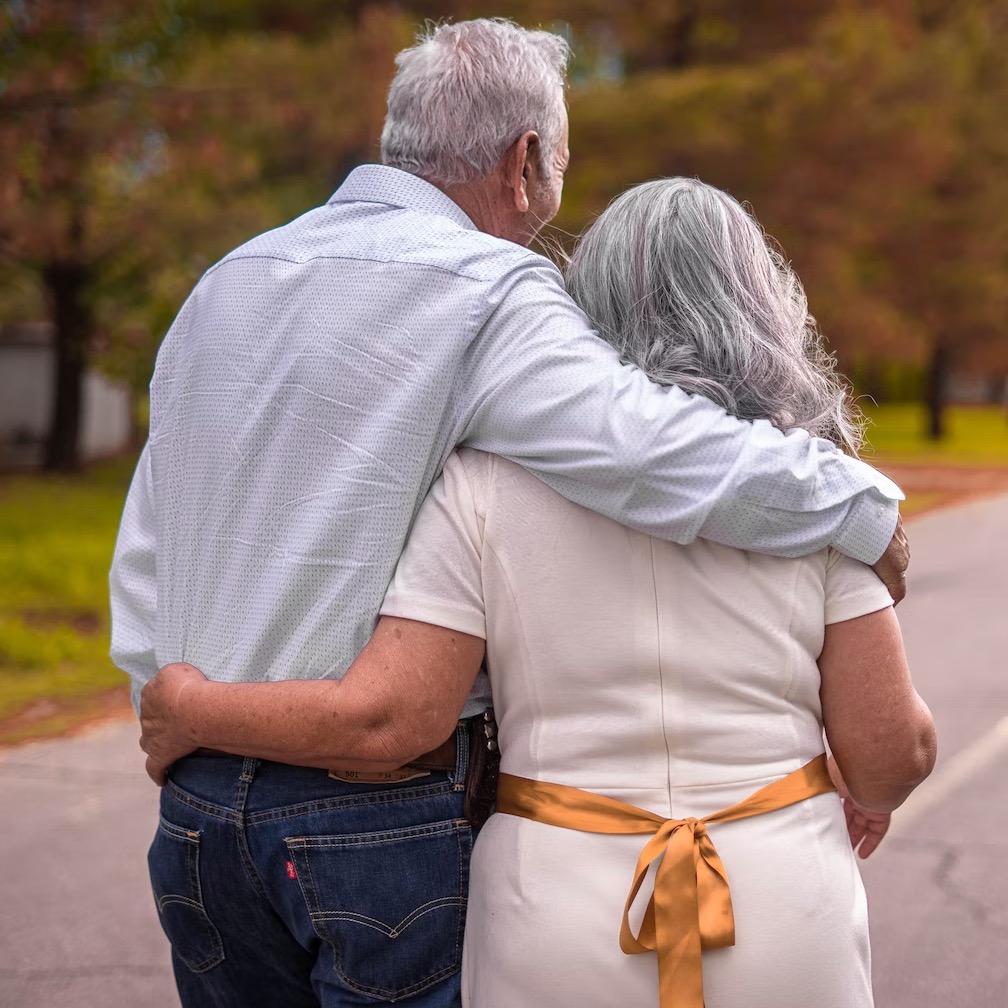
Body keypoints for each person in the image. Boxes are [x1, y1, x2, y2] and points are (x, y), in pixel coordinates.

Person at [113, 19, 910, 1008]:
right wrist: (857, 500)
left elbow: (151, 544)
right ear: (525, 162)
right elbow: (649, 449)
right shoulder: (491, 290)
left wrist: (176, 707)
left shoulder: (224, 286)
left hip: (195, 815)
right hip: (372, 821)